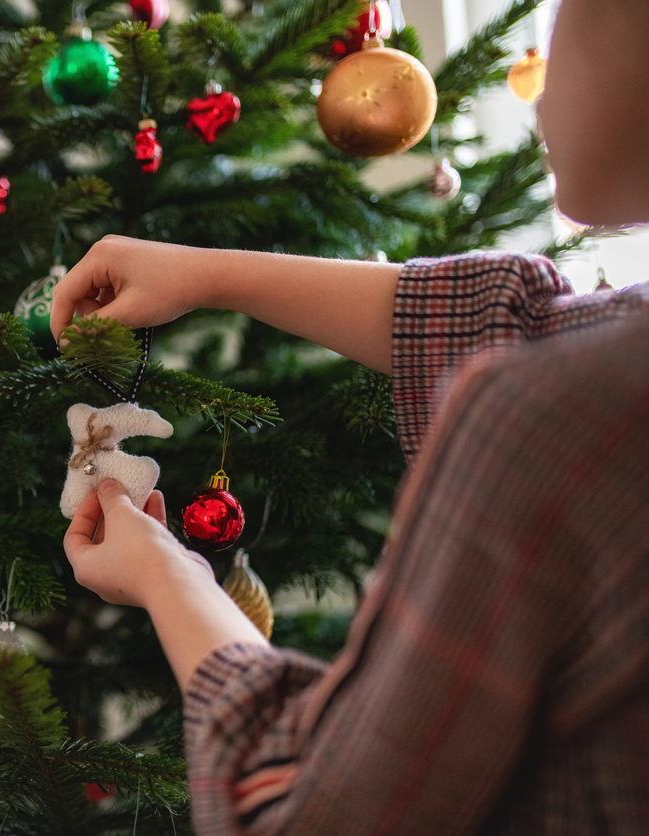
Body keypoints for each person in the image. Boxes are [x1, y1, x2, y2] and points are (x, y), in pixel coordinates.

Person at [50, 0, 649, 832]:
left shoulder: (551, 420)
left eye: (567, 19)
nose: (538, 88)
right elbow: (528, 322)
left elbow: (311, 810)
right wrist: (213, 273)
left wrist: (168, 575)